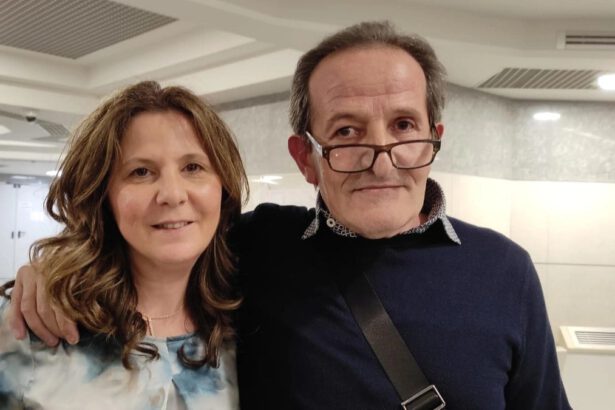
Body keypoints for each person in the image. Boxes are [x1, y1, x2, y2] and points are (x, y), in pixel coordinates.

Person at [7, 22, 570, 409]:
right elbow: (157, 239)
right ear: (306, 158)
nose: (381, 157)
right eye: (346, 131)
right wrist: (50, 273)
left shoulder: (505, 270)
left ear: (433, 138)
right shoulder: (262, 246)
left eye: (403, 126)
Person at [0, 81, 248, 409]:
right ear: (102, 195)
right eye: (141, 172)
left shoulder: (247, 319)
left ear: (223, 186)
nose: (173, 194)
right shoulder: (31, 325)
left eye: (193, 167)